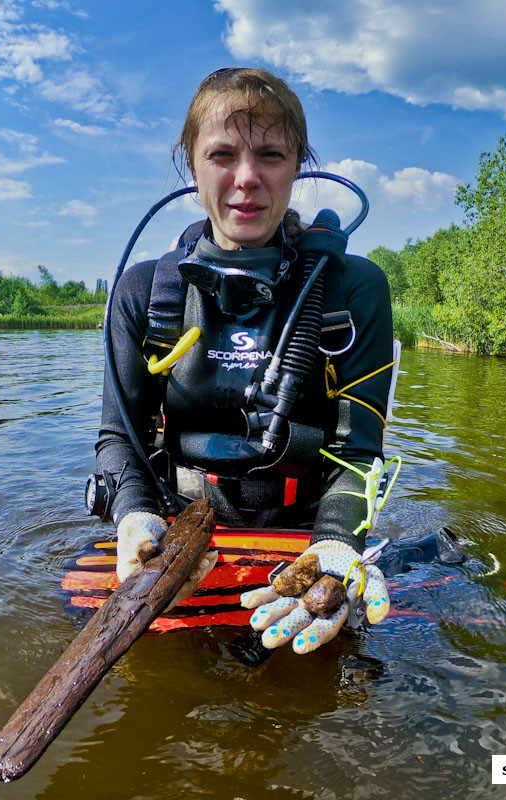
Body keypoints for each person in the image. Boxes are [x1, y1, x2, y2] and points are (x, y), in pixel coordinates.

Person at [95, 67, 395, 654]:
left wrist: (335, 545)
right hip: (181, 533)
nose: (248, 178)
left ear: (300, 164)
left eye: (272, 154)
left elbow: (360, 452)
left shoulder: (353, 290)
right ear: (190, 162)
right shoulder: (141, 293)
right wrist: (134, 518)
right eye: (223, 153)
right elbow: (117, 438)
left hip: (309, 534)